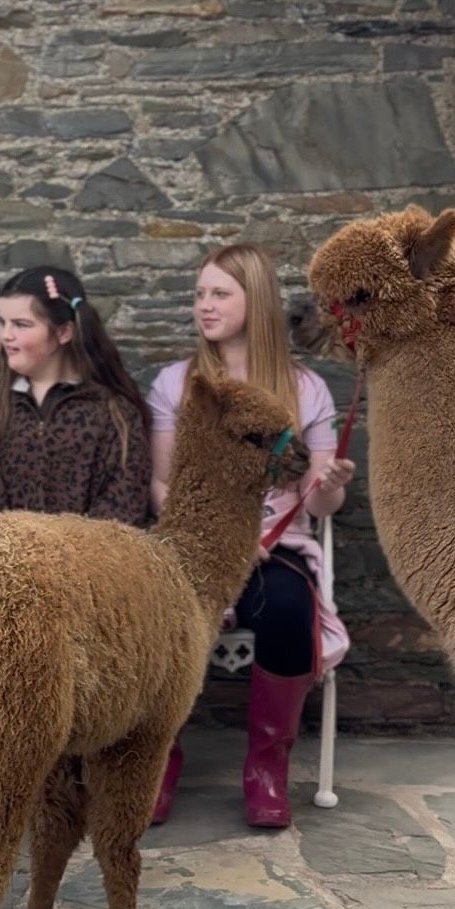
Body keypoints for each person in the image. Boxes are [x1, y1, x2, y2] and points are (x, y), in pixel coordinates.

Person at [147, 244, 353, 829]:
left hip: (278, 551)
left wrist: (330, 481)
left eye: (220, 294)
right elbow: (161, 484)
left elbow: (321, 502)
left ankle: (267, 768)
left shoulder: (305, 389)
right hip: (197, 546)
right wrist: (221, 534)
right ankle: (157, 762)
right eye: (199, 294)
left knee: (288, 608)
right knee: (164, 616)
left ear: (254, 302)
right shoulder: (176, 384)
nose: (204, 306)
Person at [0, 265, 150, 527]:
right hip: (3, 563)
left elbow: (123, 504)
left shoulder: (112, 412)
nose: (6, 335)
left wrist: (63, 558)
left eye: (21, 324)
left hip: (85, 563)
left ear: (64, 332)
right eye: (2, 323)